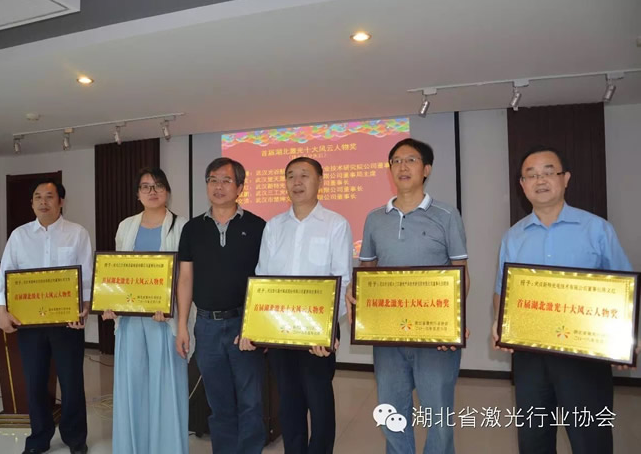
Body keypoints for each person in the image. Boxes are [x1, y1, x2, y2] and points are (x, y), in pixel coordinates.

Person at [491, 146, 636, 454]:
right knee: (533, 439)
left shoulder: (597, 229)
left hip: (585, 355)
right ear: (522, 185)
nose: (540, 180)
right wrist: (500, 324)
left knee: (591, 439)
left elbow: (623, 289)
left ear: (565, 178)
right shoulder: (513, 237)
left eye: (548, 172)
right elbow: (502, 290)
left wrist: (626, 338)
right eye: (531, 175)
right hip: (530, 356)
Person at [345, 138, 470, 454]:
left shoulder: (446, 214)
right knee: (391, 413)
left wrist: (455, 323)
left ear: (426, 169)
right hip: (388, 334)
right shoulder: (375, 218)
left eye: (411, 160)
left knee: (437, 415)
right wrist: (354, 291)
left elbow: (460, 273)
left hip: (434, 334)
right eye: (396, 161)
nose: (402, 166)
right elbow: (368, 271)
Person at [246, 156, 352, 454]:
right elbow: (263, 278)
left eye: (305, 175)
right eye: (291, 175)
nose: (297, 182)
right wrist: (258, 328)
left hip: (317, 332)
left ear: (320, 181)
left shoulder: (336, 224)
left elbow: (342, 279)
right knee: (289, 403)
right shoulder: (274, 226)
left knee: (320, 404)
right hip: (280, 331)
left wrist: (327, 331)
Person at [175, 157, 267, 454]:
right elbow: (185, 278)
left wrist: (257, 326)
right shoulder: (192, 228)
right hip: (206, 326)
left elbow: (265, 280)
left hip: (244, 326)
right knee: (219, 402)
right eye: (213, 180)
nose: (219, 186)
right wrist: (182, 327)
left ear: (240, 187)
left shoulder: (257, 226)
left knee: (250, 401)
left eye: (226, 180)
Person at [0, 179, 91, 454]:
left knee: (72, 383)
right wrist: (1, 310)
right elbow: (5, 274)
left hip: (67, 322)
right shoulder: (19, 235)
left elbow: (86, 276)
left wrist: (84, 308)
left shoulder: (77, 233)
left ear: (61, 201)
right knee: (34, 383)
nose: (43, 202)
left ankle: (75, 438)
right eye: (38, 197)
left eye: (49, 196)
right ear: (32, 203)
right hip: (29, 323)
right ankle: (39, 438)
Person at [102, 167, 190, 454]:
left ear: (168, 191)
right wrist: (111, 303)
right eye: (145, 186)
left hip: (165, 321)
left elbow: (185, 278)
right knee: (132, 388)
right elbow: (118, 272)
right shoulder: (126, 226)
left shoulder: (182, 226)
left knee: (166, 388)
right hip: (130, 322)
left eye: (158, 185)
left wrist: (179, 320)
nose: (152, 192)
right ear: (137, 194)